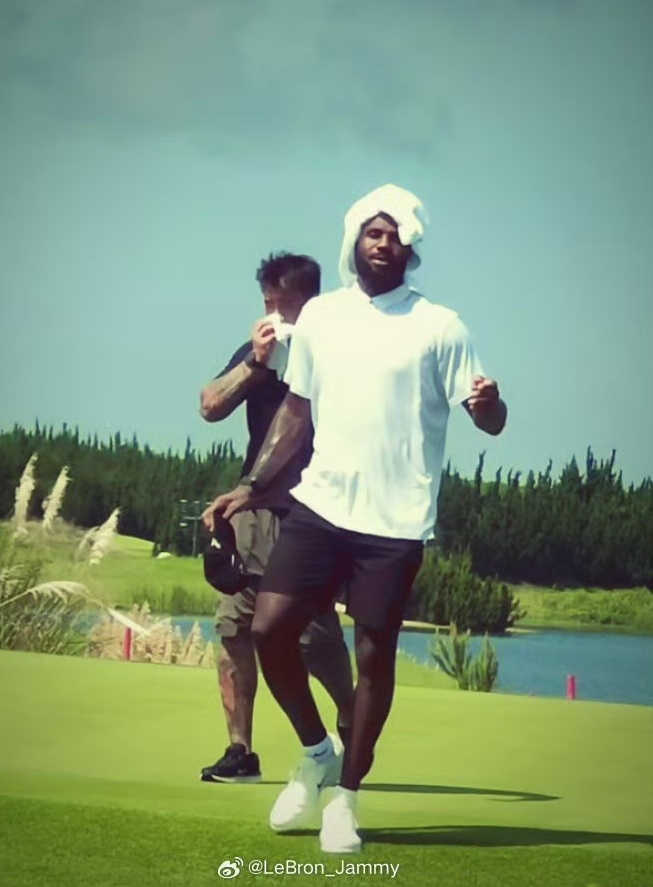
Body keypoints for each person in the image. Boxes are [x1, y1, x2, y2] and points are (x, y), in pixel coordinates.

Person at [203, 184, 507, 851]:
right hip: (321, 504)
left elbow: (490, 420)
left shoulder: (441, 326)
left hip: (395, 521)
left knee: (373, 654)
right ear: (354, 240)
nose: (383, 242)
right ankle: (316, 751)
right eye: (373, 232)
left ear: (410, 247)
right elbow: (295, 412)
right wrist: (250, 486)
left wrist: (489, 405)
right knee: (269, 628)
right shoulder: (322, 317)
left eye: (395, 234)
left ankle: (347, 797)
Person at [199, 251, 354, 785]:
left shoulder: (337, 352)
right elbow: (209, 405)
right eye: (267, 303)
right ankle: (239, 751)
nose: (273, 315)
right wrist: (256, 363)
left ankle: (351, 717)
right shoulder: (259, 352)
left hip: (314, 512)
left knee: (311, 636)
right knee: (233, 628)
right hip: (252, 510)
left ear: (310, 303)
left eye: (282, 305)